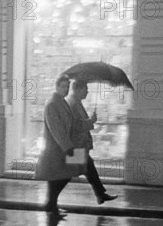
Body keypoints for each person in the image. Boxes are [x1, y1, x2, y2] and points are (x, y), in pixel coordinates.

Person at [35, 75, 84, 217]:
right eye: (63, 86)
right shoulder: (52, 104)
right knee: (63, 175)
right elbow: (56, 129)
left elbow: (68, 124)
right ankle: (51, 205)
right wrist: (68, 148)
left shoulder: (62, 102)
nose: (66, 89)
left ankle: (51, 205)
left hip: (62, 147)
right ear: (56, 87)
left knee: (60, 176)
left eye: (68, 87)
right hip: (57, 149)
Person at [66, 80, 118, 204]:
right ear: (78, 90)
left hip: (78, 146)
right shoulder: (73, 104)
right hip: (76, 146)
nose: (87, 92)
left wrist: (90, 120)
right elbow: (77, 126)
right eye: (86, 89)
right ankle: (51, 199)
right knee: (69, 172)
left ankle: (100, 194)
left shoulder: (75, 102)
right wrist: (91, 121)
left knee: (87, 168)